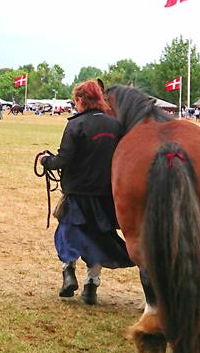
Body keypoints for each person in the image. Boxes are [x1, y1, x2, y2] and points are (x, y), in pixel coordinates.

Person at [39, 80, 137, 305]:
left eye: (76, 100)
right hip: (104, 196)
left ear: (81, 100)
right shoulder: (115, 126)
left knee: (66, 234)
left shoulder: (75, 125)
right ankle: (91, 286)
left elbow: (64, 159)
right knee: (97, 239)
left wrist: (46, 161)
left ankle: (68, 273)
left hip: (77, 194)